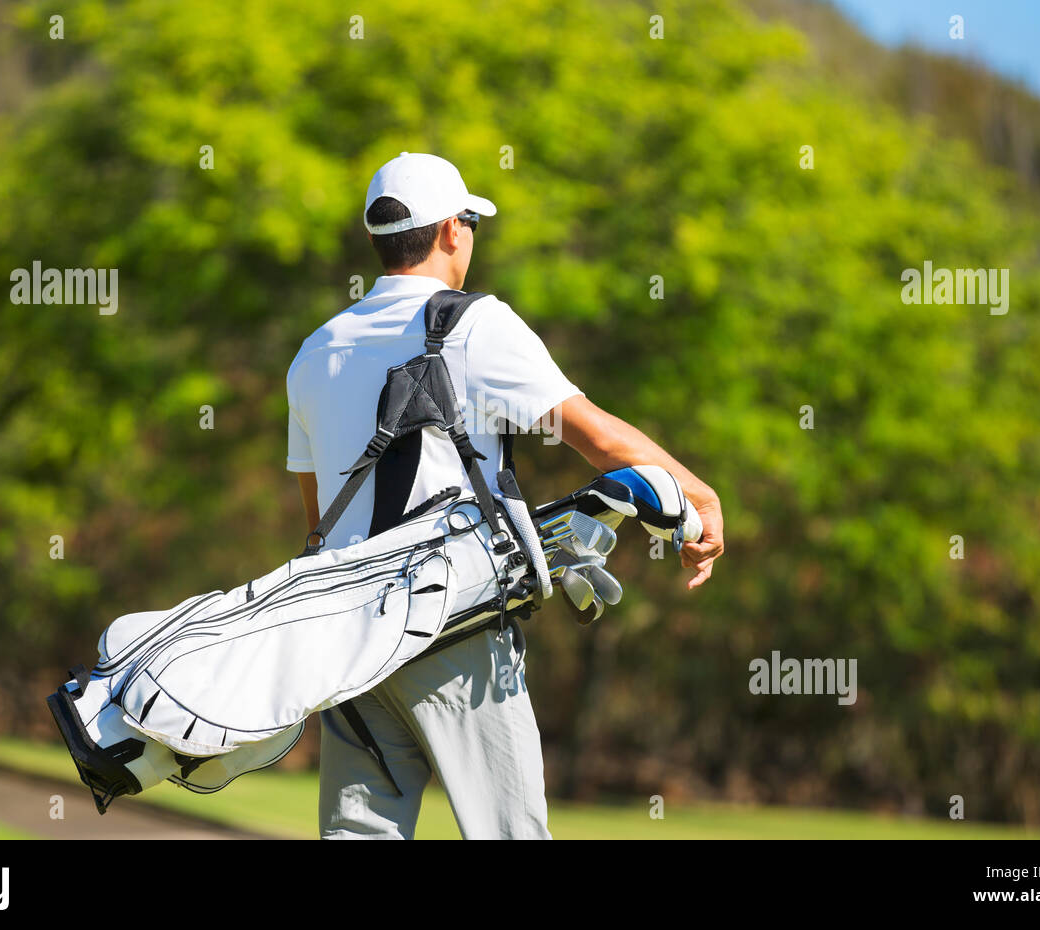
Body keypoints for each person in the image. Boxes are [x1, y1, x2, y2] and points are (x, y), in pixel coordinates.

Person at [286, 152, 723, 839]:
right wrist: (697, 494)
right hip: (454, 631)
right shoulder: (475, 325)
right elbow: (600, 440)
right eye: (470, 222)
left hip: (348, 639)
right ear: (452, 231)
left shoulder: (314, 352)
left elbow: (320, 525)